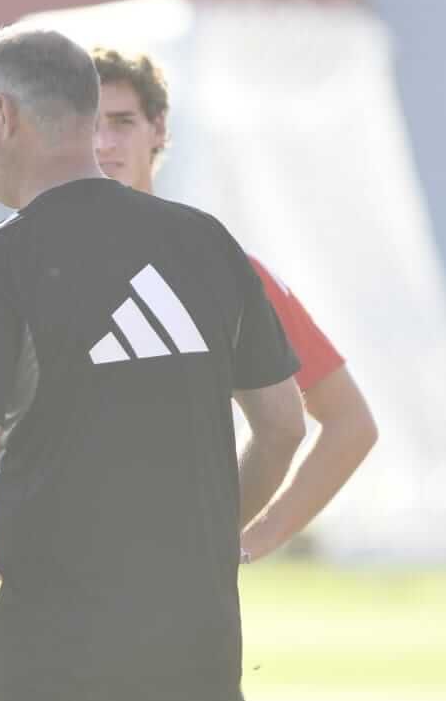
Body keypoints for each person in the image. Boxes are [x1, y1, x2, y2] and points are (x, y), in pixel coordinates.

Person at [0, 27, 307, 701]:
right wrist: (198, 544)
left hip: (58, 661)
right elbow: (284, 426)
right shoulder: (206, 240)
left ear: (3, 115)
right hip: (199, 651)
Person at [90, 47, 378, 563]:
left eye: (122, 122)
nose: (104, 143)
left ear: (158, 128)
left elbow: (348, 423)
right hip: (58, 578)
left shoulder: (223, 268)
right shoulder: (24, 266)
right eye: (89, 125)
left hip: (177, 584)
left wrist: (244, 539)